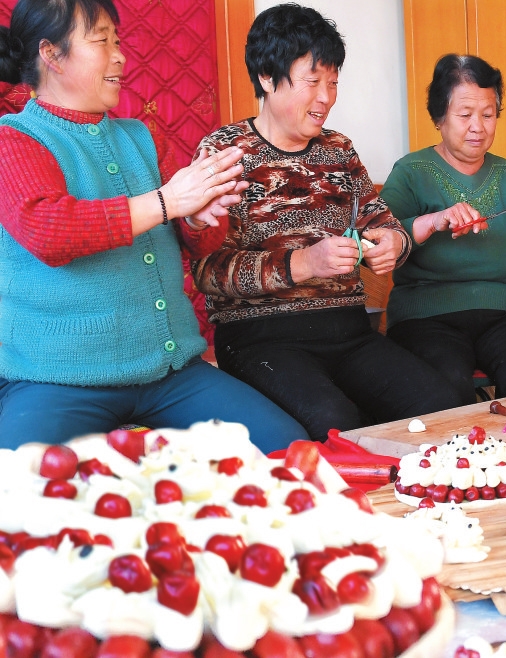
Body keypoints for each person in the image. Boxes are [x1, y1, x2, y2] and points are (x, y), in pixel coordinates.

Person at [0, 0, 307, 450]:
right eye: (101, 42)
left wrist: (198, 218)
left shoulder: (141, 136)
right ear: (52, 54)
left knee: (285, 449)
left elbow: (199, 241)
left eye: (118, 41)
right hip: (57, 379)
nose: (119, 56)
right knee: (19, 482)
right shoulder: (14, 138)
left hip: (170, 373)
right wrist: (169, 202)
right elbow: (49, 232)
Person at [192, 5, 458, 441]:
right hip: (260, 339)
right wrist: (304, 263)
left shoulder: (338, 149)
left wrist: (393, 243)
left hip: (349, 331)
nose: (326, 98)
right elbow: (207, 270)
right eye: (312, 82)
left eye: (333, 83)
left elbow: (384, 223)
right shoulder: (223, 153)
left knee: (442, 408)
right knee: (335, 423)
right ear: (266, 76)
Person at [380, 54, 506, 406]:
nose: (478, 127)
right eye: (465, 115)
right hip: (426, 318)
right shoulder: (411, 172)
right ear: (439, 117)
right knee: (444, 389)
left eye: (488, 114)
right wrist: (434, 221)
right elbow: (378, 240)